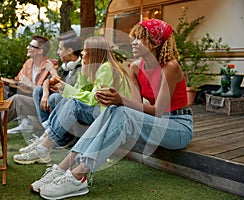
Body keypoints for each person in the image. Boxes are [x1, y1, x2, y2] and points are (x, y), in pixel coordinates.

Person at [32, 19, 194, 200]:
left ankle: (79, 176)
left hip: (177, 126)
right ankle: (62, 168)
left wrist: (121, 100)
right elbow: (136, 106)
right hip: (152, 123)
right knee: (114, 110)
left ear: (154, 42)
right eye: (133, 38)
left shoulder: (170, 67)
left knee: (121, 109)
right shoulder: (135, 67)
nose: (133, 42)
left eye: (139, 38)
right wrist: (116, 101)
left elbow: (157, 110)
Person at [13, 36, 132, 166]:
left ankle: (42, 147)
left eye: (86, 50)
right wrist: (84, 72)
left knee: (72, 103)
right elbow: (79, 91)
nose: (81, 52)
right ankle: (42, 143)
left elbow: (94, 99)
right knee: (68, 100)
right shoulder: (97, 68)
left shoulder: (107, 68)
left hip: (112, 115)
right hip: (102, 111)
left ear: (94, 52)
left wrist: (67, 89)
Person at [33, 32, 82, 125]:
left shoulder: (80, 68)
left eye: (60, 49)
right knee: (38, 90)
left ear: (69, 51)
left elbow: (66, 90)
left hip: (73, 103)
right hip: (63, 100)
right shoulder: (65, 66)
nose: (58, 52)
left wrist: (53, 71)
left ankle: (56, 131)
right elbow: (47, 81)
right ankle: (46, 128)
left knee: (54, 98)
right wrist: (45, 94)